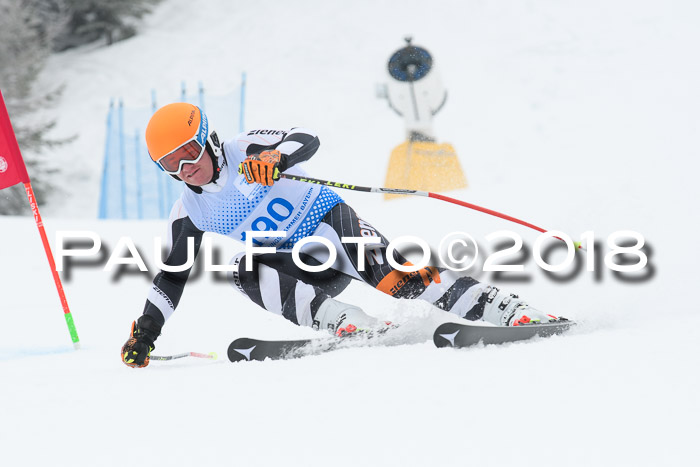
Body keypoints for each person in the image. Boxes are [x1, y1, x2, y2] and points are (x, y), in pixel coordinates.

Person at [121, 103, 561, 368]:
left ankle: (509, 309)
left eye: (189, 154)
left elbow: (306, 138)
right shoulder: (190, 211)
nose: (186, 169)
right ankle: (347, 322)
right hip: (301, 266)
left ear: (208, 140)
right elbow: (171, 277)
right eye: (170, 165)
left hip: (332, 226)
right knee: (243, 270)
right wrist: (146, 332)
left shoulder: (243, 147)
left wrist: (277, 155)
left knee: (399, 280)